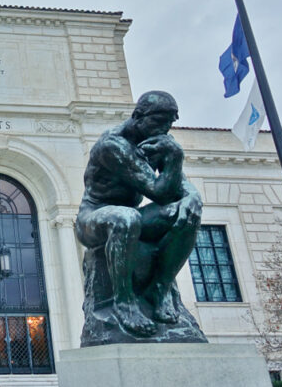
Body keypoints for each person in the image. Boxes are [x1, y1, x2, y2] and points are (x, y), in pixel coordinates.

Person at [75, 90, 202, 337]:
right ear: (138, 116)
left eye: (169, 122)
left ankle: (160, 287)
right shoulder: (112, 145)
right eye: (158, 121)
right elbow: (160, 192)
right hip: (93, 219)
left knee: (187, 213)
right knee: (126, 218)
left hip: (132, 216)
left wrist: (193, 197)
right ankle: (124, 301)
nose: (164, 128)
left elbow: (180, 187)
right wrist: (175, 157)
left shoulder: (158, 140)